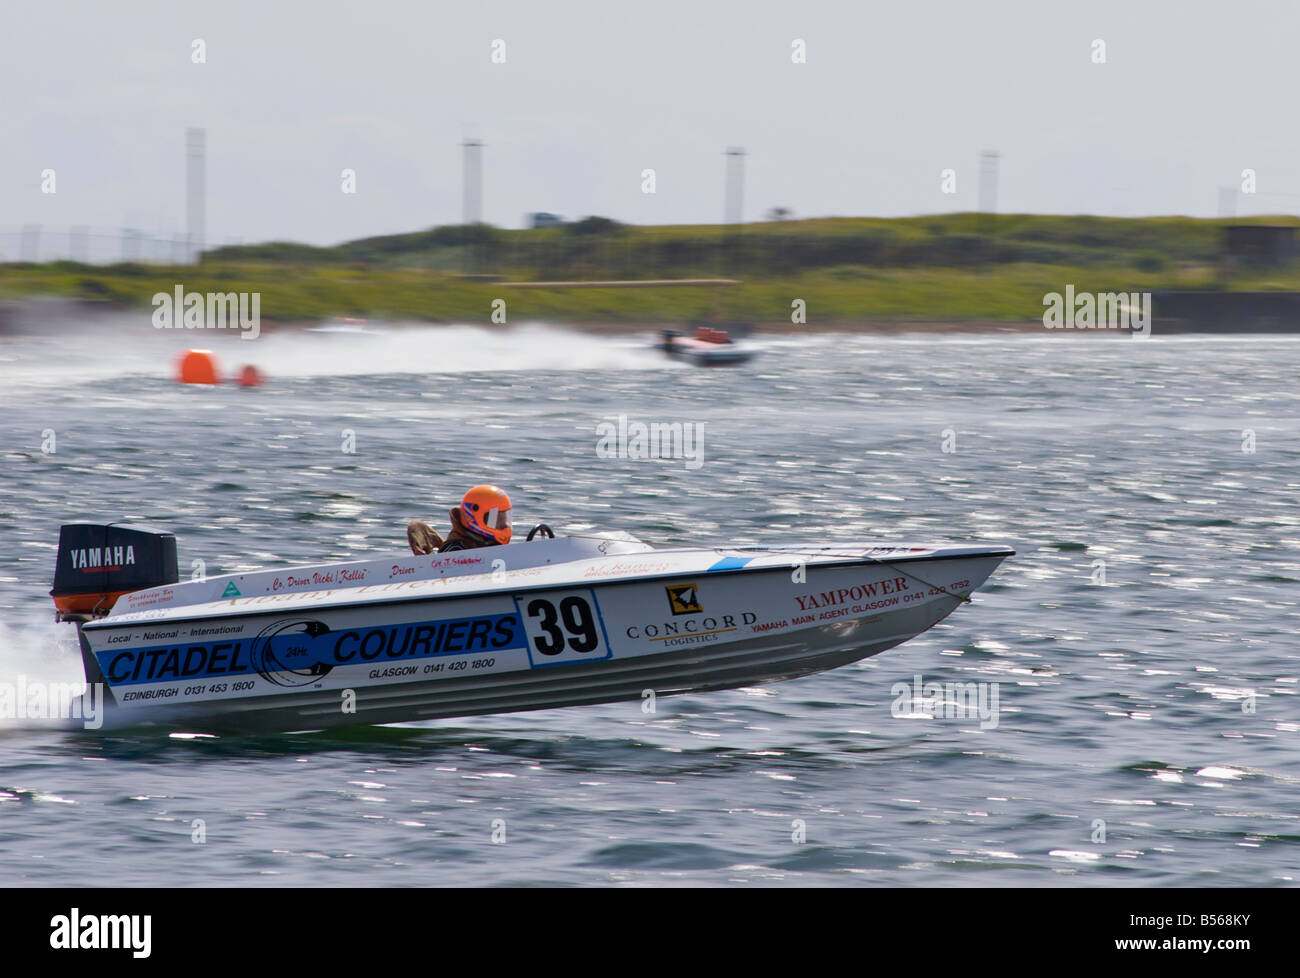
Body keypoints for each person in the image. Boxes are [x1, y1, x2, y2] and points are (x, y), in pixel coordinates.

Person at [408, 485, 512, 555]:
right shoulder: (455, 550)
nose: (502, 524)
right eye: (496, 519)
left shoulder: (491, 544)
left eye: (504, 519)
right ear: (474, 516)